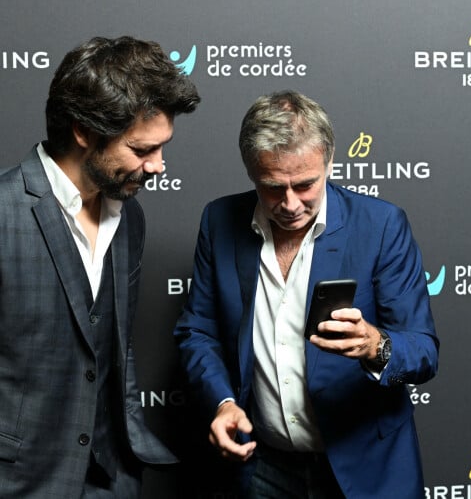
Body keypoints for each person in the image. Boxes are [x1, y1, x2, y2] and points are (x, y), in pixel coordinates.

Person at [174, 90, 439, 498]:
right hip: (261, 467)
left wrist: (375, 345)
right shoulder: (219, 221)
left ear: (330, 162)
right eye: (273, 187)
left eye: (305, 184)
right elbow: (199, 332)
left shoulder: (381, 225)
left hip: (366, 468)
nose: (290, 204)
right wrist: (223, 403)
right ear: (251, 173)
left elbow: (423, 350)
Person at [0, 36, 200, 498]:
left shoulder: (129, 216)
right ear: (84, 131)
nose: (158, 167)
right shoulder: (6, 211)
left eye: (162, 148)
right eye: (141, 149)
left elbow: (113, 347)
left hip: (110, 478)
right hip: (21, 480)